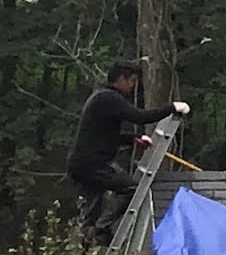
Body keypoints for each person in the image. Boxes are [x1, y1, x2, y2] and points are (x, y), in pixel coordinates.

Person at [65, 62, 188, 245]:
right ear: (121, 79)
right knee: (131, 188)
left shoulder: (100, 97)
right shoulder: (109, 98)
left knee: (89, 216)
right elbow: (141, 117)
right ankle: (100, 229)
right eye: (131, 81)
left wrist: (133, 139)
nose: (132, 86)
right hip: (93, 164)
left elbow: (104, 135)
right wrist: (172, 108)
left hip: (81, 164)